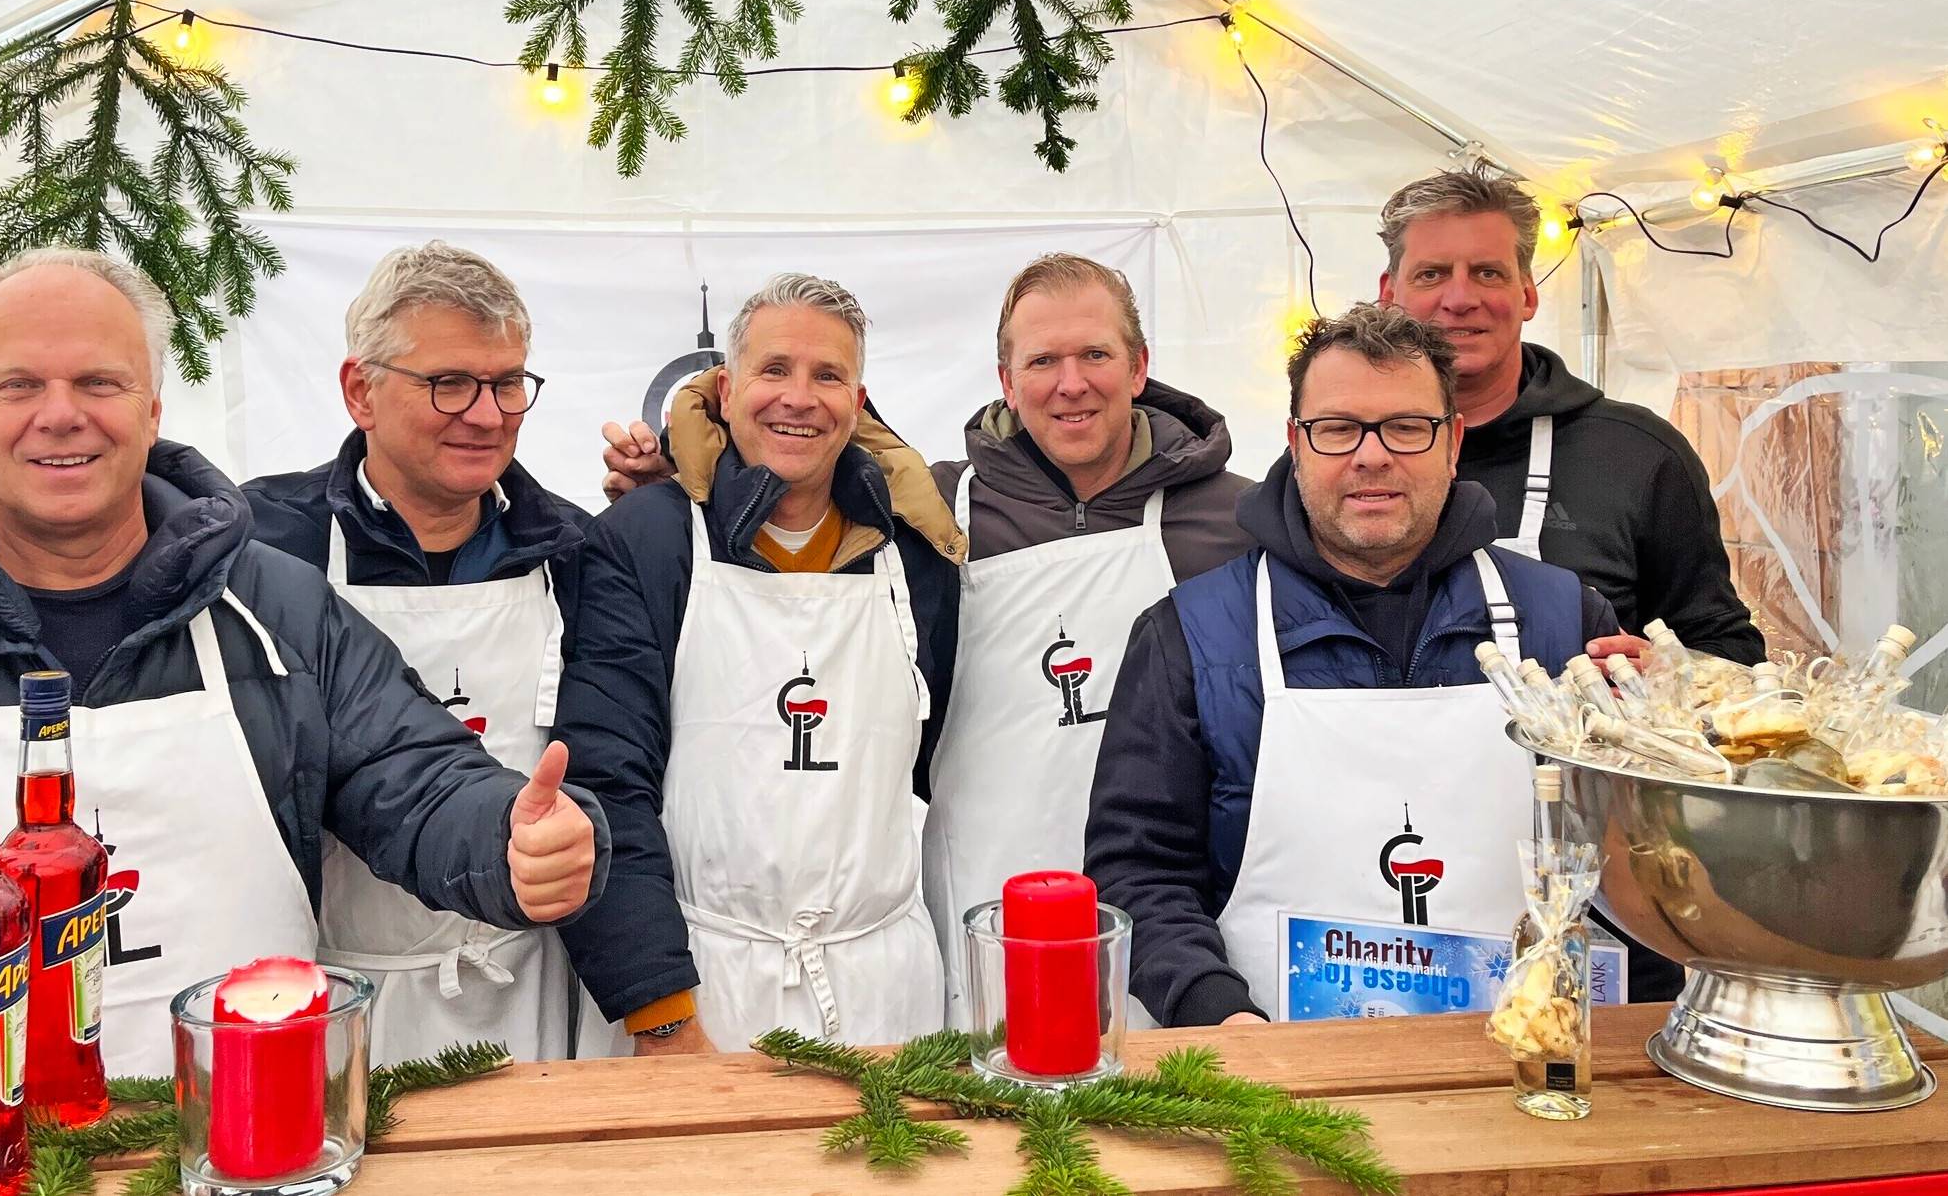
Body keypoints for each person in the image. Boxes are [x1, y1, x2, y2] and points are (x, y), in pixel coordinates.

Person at [0, 249, 605, 1075]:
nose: (60, 414)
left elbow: (410, 770)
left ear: (153, 409)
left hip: (257, 1138)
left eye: (100, 383)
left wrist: (510, 839)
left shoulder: (271, 602)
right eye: (18, 385)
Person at [599, 254, 1254, 1028]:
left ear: (1140, 366)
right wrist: (677, 501)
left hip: (1167, 926)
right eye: (1041, 360)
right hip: (976, 918)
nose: (1069, 382)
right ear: (1006, 380)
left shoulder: (1239, 524)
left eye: (1095, 355)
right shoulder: (936, 515)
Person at [1085, 303, 1630, 1028]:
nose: (1371, 456)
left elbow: (1634, 862)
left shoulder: (1564, 624)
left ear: (1453, 441)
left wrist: (1678, 731)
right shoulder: (1190, 634)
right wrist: (1214, 1011)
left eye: (1406, 427)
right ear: (1295, 443)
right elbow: (1138, 869)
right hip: (1272, 1076)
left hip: (1523, 1065)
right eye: (1338, 428)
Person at [554, 273, 962, 1054]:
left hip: (884, 990)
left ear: (859, 398)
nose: (799, 398)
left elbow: (919, 757)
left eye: (828, 375)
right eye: (775, 370)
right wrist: (659, 1011)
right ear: (728, 386)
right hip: (700, 984)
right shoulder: (648, 539)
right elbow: (606, 783)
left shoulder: (915, 552)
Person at [235, 242, 616, 1064]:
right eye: (449, 382)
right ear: (359, 391)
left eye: (508, 382)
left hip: (530, 982)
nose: (487, 413)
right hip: (335, 993)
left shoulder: (573, 554)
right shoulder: (259, 548)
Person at [1376, 168, 1763, 662]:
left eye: (1487, 273)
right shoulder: (1346, 454)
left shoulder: (1636, 453)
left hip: (1579, 741)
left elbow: (1730, 649)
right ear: (1390, 294)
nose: (1460, 299)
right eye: (1431, 274)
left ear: (1528, 295)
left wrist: (1671, 672)